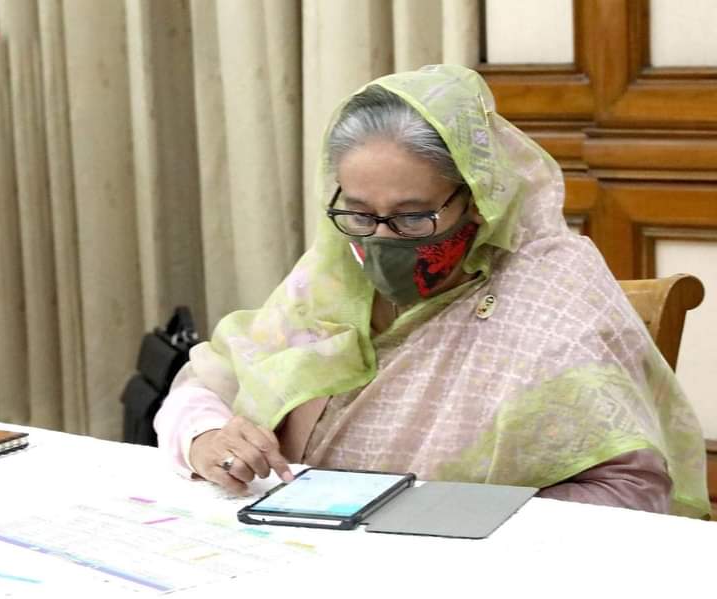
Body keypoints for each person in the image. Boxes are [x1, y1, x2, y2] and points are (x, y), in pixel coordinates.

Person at [154, 64, 709, 517]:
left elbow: (633, 492)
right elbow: (206, 382)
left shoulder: (550, 294)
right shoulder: (333, 275)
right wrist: (206, 437)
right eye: (360, 213)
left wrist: (464, 522)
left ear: (478, 199)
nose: (381, 239)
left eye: (412, 217)